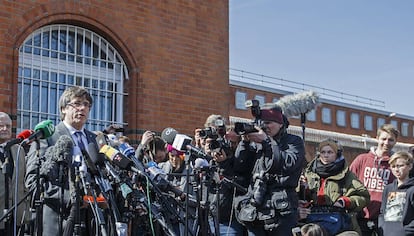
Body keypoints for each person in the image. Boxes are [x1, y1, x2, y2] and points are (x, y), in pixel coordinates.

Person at [25, 86, 101, 235]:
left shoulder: (94, 139)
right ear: (63, 108)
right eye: (77, 103)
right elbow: (33, 181)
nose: (82, 108)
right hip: (58, 219)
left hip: (90, 220)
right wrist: (72, 199)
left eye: (86, 104)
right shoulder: (47, 136)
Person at [234, 104, 306, 235]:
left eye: (268, 122)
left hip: (281, 211)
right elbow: (240, 167)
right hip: (255, 209)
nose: (264, 126)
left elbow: (289, 164)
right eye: (261, 123)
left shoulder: (293, 141)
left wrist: (267, 142)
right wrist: (244, 143)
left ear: (280, 123)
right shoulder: (255, 144)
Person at [298, 139, 370, 235]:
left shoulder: (346, 175)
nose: (326, 155)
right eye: (323, 152)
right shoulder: (308, 174)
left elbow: (363, 196)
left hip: (339, 224)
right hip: (311, 223)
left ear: (337, 154)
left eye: (330, 152)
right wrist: (302, 193)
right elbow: (295, 197)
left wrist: (345, 202)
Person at [349, 124, 399, 236]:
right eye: (384, 139)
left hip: (386, 219)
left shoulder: (397, 164)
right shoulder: (362, 159)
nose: (386, 143)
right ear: (377, 138)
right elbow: (348, 184)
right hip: (361, 216)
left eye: (391, 140)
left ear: (395, 142)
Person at [0, 112, 27, 235]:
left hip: (16, 217)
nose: (5, 129)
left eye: (8, 126)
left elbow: (24, 183)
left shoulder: (19, 150)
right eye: (1, 126)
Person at [378, 151, 414, 236]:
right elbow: (382, 212)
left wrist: (404, 232)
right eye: (393, 166)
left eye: (400, 166)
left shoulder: (412, 190)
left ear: (410, 166)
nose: (396, 169)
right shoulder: (388, 188)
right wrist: (382, 228)